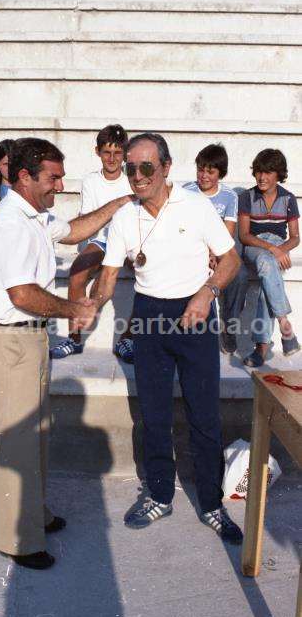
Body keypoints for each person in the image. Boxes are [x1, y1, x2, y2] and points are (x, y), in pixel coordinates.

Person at [0, 137, 134, 570]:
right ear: (23, 177)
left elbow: (78, 228)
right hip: (10, 339)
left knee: (37, 434)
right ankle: (19, 541)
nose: (60, 186)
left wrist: (121, 200)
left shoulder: (37, 215)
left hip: (29, 339)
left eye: (62, 176)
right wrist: (74, 307)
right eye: (53, 177)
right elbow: (22, 293)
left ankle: (35, 516)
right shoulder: (10, 222)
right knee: (20, 441)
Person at [91, 133, 243, 544]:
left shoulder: (196, 206)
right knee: (154, 414)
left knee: (204, 415)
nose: (137, 177)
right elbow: (107, 277)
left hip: (195, 314)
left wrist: (207, 292)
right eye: (130, 169)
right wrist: (87, 308)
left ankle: (212, 503)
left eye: (146, 168)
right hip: (148, 316)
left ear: (166, 167)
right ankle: (159, 494)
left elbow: (230, 258)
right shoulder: (126, 217)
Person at [50, 124, 132, 359]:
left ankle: (128, 338)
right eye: (107, 152)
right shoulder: (91, 181)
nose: (112, 158)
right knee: (77, 273)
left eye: (118, 153)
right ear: (97, 152)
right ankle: (74, 338)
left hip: (127, 240)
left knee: (146, 274)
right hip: (101, 240)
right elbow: (89, 220)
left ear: (125, 153)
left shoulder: (129, 180)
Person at [183, 143, 249, 354]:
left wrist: (213, 253)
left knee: (239, 275)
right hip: (192, 248)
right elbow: (182, 227)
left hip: (218, 249)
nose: (203, 176)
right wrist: (204, 253)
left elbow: (228, 232)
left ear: (220, 173)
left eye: (210, 171)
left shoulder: (229, 196)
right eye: (200, 170)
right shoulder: (186, 191)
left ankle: (229, 326)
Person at [238, 148, 300, 367]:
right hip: (255, 245)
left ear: (278, 174)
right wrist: (274, 251)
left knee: (267, 283)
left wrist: (281, 248)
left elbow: (295, 238)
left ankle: (261, 347)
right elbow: (244, 235)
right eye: (258, 172)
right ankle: (284, 322)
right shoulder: (247, 196)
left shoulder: (288, 198)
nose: (262, 177)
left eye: (268, 172)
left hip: (277, 245)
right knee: (266, 261)